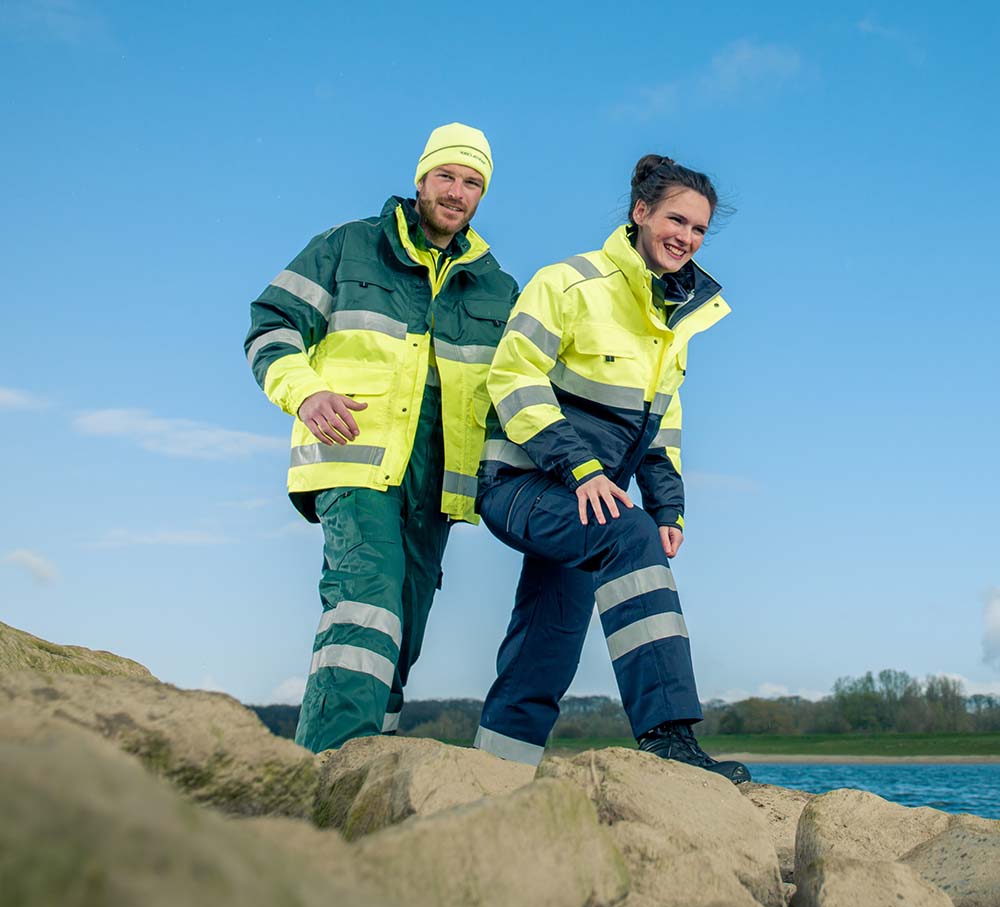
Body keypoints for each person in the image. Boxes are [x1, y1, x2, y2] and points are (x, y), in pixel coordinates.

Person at [472, 154, 750, 783]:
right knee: (629, 536)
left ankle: (493, 777)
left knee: (548, 641)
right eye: (675, 219)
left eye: (700, 229)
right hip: (521, 483)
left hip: (586, 500)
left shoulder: (672, 320)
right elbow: (512, 378)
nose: (686, 237)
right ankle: (668, 736)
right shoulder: (568, 283)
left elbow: (662, 426)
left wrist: (669, 508)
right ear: (641, 212)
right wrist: (582, 470)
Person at [245, 123, 518, 753]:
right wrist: (305, 393)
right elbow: (271, 326)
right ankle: (326, 773)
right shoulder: (347, 247)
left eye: (472, 182)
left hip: (440, 481)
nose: (457, 192)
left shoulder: (497, 287)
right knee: (365, 606)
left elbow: (514, 392)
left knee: (406, 622)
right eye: (446, 176)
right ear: (421, 179)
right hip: (352, 458)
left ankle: (371, 767)